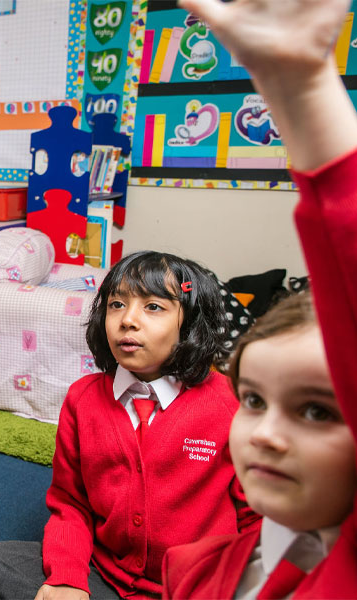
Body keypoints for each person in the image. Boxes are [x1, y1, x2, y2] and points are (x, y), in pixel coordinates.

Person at [161, 0, 357, 596]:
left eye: (318, 411)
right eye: (251, 400)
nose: (265, 434)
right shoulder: (201, 569)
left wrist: (301, 82)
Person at [0, 250, 259, 599]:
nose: (128, 320)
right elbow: (71, 502)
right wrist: (67, 577)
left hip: (198, 588)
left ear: (189, 322)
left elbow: (259, 517)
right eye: (117, 304)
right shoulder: (82, 400)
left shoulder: (230, 405)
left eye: (153, 307)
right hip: (106, 576)